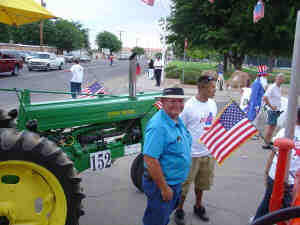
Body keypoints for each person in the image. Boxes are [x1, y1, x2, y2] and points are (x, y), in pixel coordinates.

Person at [142, 87, 192, 225]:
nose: (177, 104)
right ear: (163, 102)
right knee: (156, 220)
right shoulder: (158, 126)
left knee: (163, 217)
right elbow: (150, 160)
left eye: (180, 101)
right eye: (172, 101)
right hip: (162, 185)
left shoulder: (176, 119)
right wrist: (164, 188)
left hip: (174, 182)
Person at [174, 75, 217, 225]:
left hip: (207, 153)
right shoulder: (188, 107)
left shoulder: (212, 104)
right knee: (184, 186)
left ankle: (198, 206)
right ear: (202, 88)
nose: (215, 90)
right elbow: (179, 130)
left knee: (202, 183)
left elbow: (210, 126)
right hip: (190, 155)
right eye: (212, 87)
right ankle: (179, 210)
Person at [253, 107, 300, 221]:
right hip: (288, 181)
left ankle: (257, 220)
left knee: (268, 203)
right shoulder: (286, 131)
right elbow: (275, 152)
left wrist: (267, 171)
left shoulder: (285, 131)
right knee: (285, 212)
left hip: (275, 176)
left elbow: (273, 153)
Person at [262, 73, 285, 149]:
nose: (281, 80)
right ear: (276, 79)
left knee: (273, 126)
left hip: (276, 110)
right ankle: (266, 143)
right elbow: (265, 97)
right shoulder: (272, 87)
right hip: (272, 110)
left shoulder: (279, 87)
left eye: (282, 79)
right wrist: (271, 106)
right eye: (280, 79)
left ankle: (268, 141)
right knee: (270, 126)